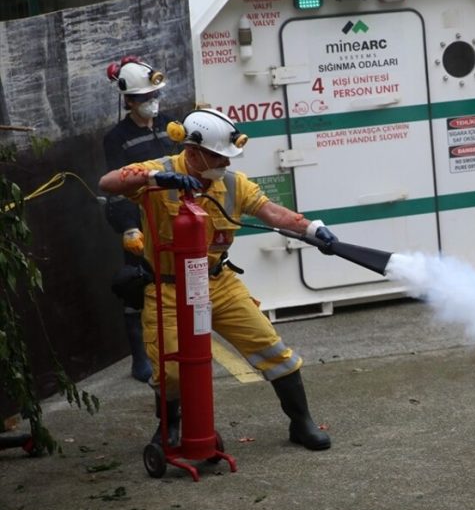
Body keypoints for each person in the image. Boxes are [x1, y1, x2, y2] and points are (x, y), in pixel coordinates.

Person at [97, 108, 337, 451]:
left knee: (273, 350)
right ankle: (170, 428)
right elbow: (108, 183)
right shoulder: (159, 171)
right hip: (167, 287)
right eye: (217, 156)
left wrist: (312, 229)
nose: (224, 164)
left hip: (217, 282)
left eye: (227, 157)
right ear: (192, 152)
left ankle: (301, 422)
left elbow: (272, 213)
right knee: (171, 370)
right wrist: (154, 181)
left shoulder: (233, 184)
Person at [101, 56, 178, 382]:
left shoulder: (171, 126)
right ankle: (140, 359)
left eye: (155, 95)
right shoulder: (116, 138)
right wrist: (128, 227)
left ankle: (176, 349)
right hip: (141, 220)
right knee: (137, 287)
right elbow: (116, 187)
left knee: (176, 286)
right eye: (145, 98)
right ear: (129, 100)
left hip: (173, 217)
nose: (152, 102)